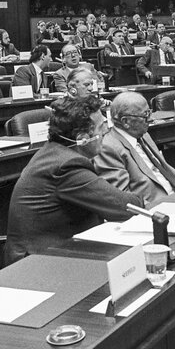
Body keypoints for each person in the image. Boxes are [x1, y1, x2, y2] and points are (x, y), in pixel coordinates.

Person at [5, 96, 142, 265]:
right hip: (38, 262)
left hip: (57, 248)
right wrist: (142, 199)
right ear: (83, 138)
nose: (106, 131)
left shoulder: (54, 151)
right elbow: (125, 207)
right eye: (101, 127)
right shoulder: (66, 166)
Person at [95, 92, 175, 205]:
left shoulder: (143, 134)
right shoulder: (108, 147)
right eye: (145, 115)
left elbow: (165, 172)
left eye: (149, 112)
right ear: (125, 121)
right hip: (155, 209)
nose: (150, 119)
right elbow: (123, 200)